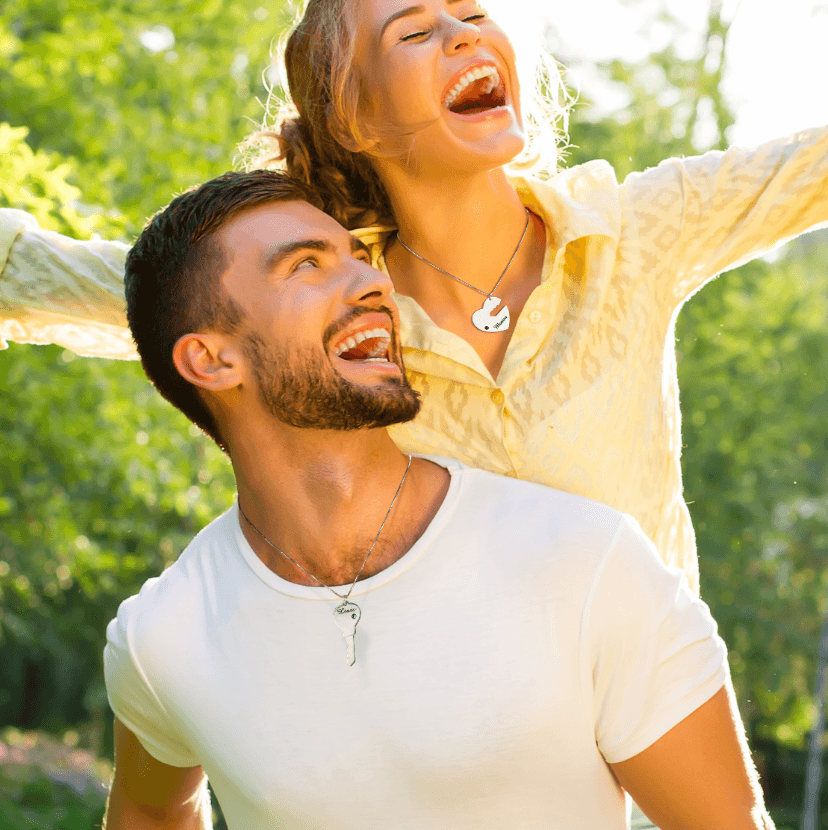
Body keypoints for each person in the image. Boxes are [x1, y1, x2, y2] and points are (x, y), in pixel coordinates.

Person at [1, 1, 826, 603]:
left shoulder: (634, 230)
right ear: (354, 114)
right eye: (415, 30)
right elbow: (53, 277)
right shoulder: (320, 309)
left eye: (471, 14)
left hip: (665, 764)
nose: (463, 33)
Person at [103, 168, 773, 830]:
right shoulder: (164, 638)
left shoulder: (587, 564)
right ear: (211, 362)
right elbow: (148, 809)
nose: (373, 281)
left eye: (361, 259)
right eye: (307, 266)